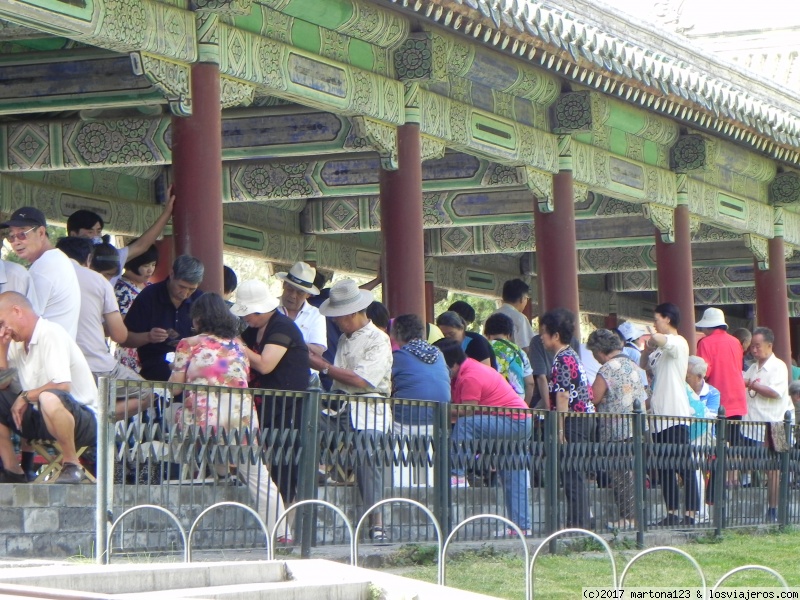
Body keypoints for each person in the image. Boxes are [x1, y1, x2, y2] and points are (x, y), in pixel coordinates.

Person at [168, 292, 284, 533]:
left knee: (172, 415)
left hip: (203, 419)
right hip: (240, 417)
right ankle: (282, 533)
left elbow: (176, 387)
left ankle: (205, 472)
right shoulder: (238, 346)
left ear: (198, 319)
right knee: (258, 476)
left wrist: (175, 371)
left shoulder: (188, 344)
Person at [309, 279, 393, 542]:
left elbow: (361, 379)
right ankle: (320, 468)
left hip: (369, 408)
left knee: (368, 453)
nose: (335, 322)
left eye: (339, 317)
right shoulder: (345, 339)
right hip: (342, 407)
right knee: (306, 420)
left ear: (355, 313)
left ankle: (377, 521)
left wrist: (323, 366)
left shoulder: (379, 339)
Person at [232, 279, 309, 529]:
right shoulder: (253, 329)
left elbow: (265, 364)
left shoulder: (282, 328)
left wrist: (240, 346)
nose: (246, 320)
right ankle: (277, 522)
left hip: (288, 405)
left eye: (248, 314)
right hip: (264, 404)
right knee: (270, 458)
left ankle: (287, 523)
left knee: (284, 462)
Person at [435, 338, 532, 536]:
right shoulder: (469, 370)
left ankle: (457, 473)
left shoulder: (470, 376)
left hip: (512, 422)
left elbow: (468, 411)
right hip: (519, 420)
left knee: (465, 424)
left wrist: (438, 411)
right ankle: (521, 527)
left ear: (450, 364)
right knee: (514, 473)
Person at [0, 292, 97, 484]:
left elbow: (62, 385)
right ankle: (12, 470)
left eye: (3, 323)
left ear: (17, 311)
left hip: (81, 419)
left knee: (48, 397)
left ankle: (71, 465)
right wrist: (2, 346)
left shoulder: (50, 332)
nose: (3, 329)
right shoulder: (17, 344)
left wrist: (25, 396)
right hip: (42, 417)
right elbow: (3, 383)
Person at [56, 237, 148, 420]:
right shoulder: (98, 281)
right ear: (89, 259)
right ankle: (98, 419)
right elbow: (120, 336)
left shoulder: (44, 276)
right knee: (147, 392)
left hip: (57, 366)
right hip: (95, 366)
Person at [640, 302, 698, 526]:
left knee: (683, 464)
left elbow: (662, 340)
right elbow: (645, 365)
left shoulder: (678, 342)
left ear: (667, 318)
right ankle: (672, 512)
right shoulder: (660, 349)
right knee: (664, 466)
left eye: (657, 319)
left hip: (675, 413)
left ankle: (690, 513)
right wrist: (646, 351)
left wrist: (653, 336)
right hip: (659, 415)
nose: (655, 323)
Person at [586, 329, 648, 530]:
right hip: (637, 427)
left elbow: (594, 397)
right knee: (634, 474)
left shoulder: (608, 369)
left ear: (599, 351)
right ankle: (637, 517)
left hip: (617, 430)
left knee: (621, 476)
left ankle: (628, 518)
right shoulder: (634, 366)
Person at [539, 308, 595, 529]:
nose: (541, 337)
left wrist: (560, 429)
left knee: (572, 472)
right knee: (576, 470)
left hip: (574, 420)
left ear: (555, 335)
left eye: (544, 333)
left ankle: (578, 522)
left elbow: (562, 395)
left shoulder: (561, 359)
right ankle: (581, 519)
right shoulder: (572, 355)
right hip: (584, 417)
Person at [66, 187, 174, 285]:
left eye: (98, 231)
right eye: (90, 232)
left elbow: (142, 245)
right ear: (73, 234)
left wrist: (167, 212)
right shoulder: (63, 263)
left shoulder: (112, 258)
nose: (95, 236)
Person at [122, 255, 204, 382]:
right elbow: (125, 339)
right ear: (172, 274)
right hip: (155, 371)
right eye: (181, 286)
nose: (185, 293)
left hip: (192, 372)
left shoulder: (201, 300)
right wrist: (148, 336)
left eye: (191, 289)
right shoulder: (149, 296)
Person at [1, 207, 80, 338]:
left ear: (41, 233)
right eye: (11, 236)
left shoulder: (44, 268)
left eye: (22, 234)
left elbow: (24, 324)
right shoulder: (56, 259)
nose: (16, 242)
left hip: (47, 352)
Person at [742, 327, 792, 523]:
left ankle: (774, 509)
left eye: (757, 346)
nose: (754, 350)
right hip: (753, 425)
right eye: (752, 346)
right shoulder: (753, 368)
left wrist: (750, 384)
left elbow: (775, 392)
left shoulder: (779, 366)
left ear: (769, 345)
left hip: (776, 423)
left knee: (775, 469)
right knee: (756, 464)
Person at [389, 314, 450, 436]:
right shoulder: (439, 354)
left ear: (396, 334)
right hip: (439, 418)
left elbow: (382, 381)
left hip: (407, 419)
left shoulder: (399, 356)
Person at [685, 355, 720, 523]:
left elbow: (710, 417)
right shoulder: (683, 389)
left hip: (704, 436)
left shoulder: (712, 393)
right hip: (685, 433)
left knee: (697, 471)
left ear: (699, 377)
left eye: (688, 375)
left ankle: (701, 512)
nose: (685, 378)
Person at [114, 243, 159, 373]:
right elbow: (120, 324)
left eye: (153, 265)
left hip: (150, 348)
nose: (150, 270)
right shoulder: (121, 288)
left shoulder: (150, 287)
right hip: (130, 348)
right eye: (146, 266)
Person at [275, 262, 327, 358]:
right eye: (290, 289)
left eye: (300, 292)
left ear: (308, 294)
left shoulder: (316, 315)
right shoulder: (270, 307)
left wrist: (285, 341)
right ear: (284, 285)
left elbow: (318, 350)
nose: (293, 296)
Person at [483, 313, 534, 405]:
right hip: (516, 408)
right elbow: (530, 383)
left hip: (489, 407)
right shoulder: (520, 352)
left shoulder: (482, 349)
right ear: (509, 333)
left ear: (487, 333)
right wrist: (523, 408)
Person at [492, 278, 534, 352]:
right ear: (522, 299)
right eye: (526, 298)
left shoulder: (490, 316)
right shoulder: (519, 318)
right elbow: (525, 348)